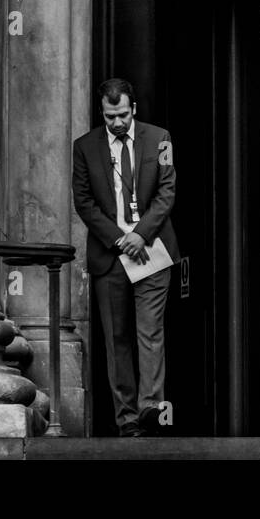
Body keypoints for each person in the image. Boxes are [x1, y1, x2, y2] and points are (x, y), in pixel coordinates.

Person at [72, 78, 180, 437]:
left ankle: (151, 411)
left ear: (133, 108)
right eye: (109, 116)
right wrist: (121, 240)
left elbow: (167, 192)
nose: (116, 123)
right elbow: (83, 202)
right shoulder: (85, 147)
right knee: (116, 341)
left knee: (151, 334)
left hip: (152, 251)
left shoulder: (160, 138)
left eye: (121, 115)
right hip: (110, 256)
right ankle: (128, 422)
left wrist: (140, 234)